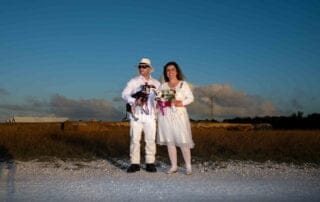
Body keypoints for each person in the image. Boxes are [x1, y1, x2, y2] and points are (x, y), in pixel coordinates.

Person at [122, 58, 160, 173]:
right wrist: (134, 100)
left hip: (150, 115)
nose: (141, 68)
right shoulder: (133, 81)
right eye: (139, 66)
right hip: (136, 114)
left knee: (150, 139)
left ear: (149, 69)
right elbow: (124, 94)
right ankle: (135, 163)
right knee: (135, 139)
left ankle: (150, 162)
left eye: (144, 66)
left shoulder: (157, 83)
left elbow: (160, 98)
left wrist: (159, 101)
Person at [157, 61, 194, 175]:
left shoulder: (183, 84)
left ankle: (188, 166)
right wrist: (160, 100)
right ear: (165, 73)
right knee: (170, 141)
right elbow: (160, 100)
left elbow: (191, 98)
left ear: (177, 71)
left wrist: (181, 102)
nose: (170, 72)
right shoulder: (163, 86)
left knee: (183, 140)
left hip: (179, 115)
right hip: (166, 115)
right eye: (168, 70)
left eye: (172, 69)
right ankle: (174, 166)